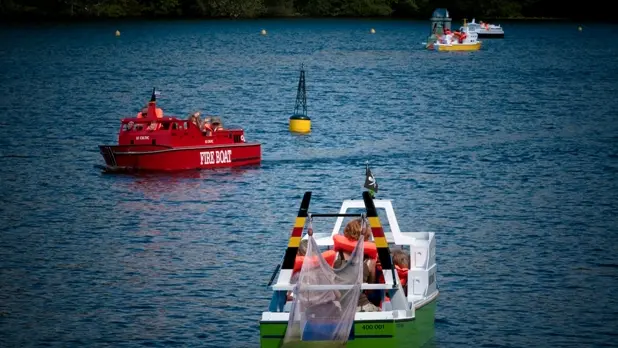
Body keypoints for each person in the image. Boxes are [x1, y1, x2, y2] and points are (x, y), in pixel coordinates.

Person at [333, 218, 380, 312]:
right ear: (366, 237)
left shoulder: (336, 256)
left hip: (337, 307)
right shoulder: (370, 261)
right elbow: (370, 289)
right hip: (360, 306)